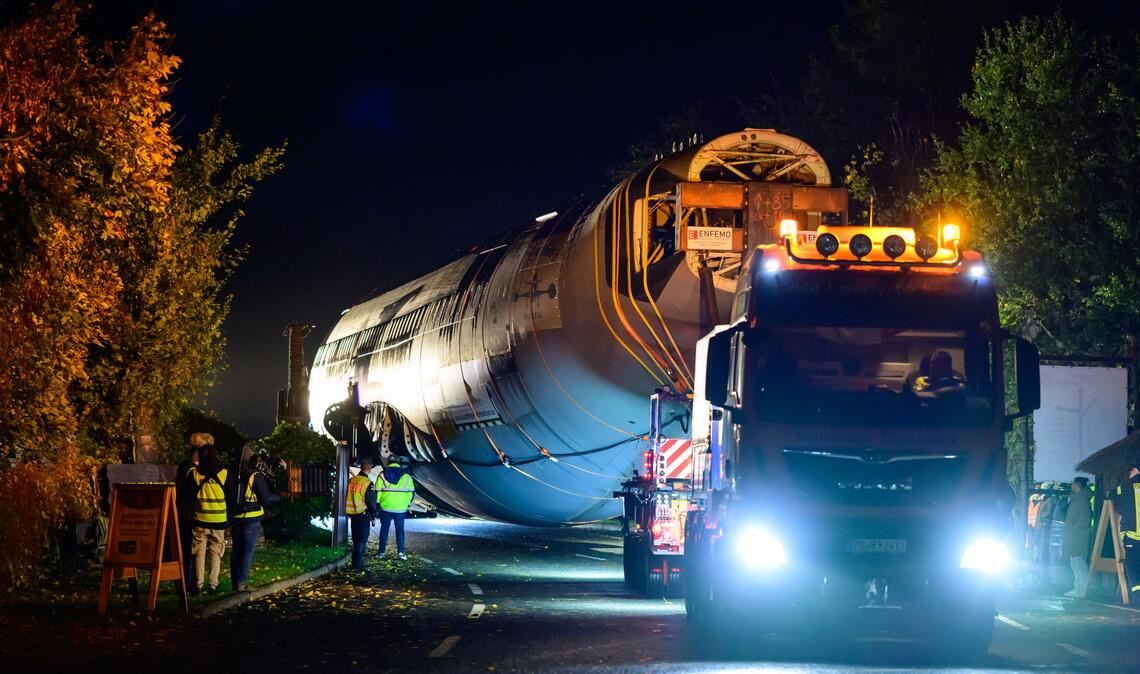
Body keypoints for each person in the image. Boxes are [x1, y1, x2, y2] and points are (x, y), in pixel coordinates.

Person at [229, 443, 281, 592]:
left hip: (236, 517)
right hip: (251, 519)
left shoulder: (231, 474)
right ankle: (242, 583)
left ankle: (235, 582)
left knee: (236, 550)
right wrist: (279, 497)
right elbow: (266, 499)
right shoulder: (254, 476)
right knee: (247, 551)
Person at [185, 442, 229, 594]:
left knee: (199, 553)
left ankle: (198, 585)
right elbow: (231, 495)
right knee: (216, 552)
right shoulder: (224, 473)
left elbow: (188, 496)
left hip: (200, 520)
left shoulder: (194, 473)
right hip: (219, 520)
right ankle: (213, 585)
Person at [175, 436, 205, 593]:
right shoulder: (193, 473)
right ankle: (188, 585)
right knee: (189, 553)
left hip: (180, 515)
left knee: (184, 551)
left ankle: (183, 583)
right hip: (189, 516)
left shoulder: (182, 470)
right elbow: (195, 495)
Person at [377, 458, 415, 560]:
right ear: (399, 463)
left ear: (389, 463)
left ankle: (381, 553)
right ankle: (401, 553)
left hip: (385, 508)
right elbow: (411, 493)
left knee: (384, 529)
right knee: (400, 530)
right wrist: (406, 504)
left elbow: (377, 492)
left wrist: (378, 504)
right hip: (400, 509)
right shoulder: (407, 476)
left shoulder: (382, 475)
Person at [1063, 477, 1093, 597]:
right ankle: (1079, 589)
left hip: (1077, 538)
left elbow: (1074, 522)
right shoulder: (1080, 500)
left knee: (1079, 565)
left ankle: (1081, 590)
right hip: (1077, 537)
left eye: (1073, 484)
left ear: (1077, 485)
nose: (1071, 486)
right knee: (1076, 564)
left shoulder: (1080, 501)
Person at [346, 458, 377, 571]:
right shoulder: (368, 483)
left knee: (355, 539)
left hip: (352, 514)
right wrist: (374, 515)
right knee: (362, 540)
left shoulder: (351, 480)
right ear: (369, 468)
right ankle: (358, 565)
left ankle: (356, 563)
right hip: (363, 515)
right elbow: (371, 502)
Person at [1121, 462, 1140, 601]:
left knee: (1133, 567)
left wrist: (1123, 534)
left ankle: (1137, 597)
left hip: (1133, 535)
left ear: (1134, 470)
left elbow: (1123, 507)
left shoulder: (1128, 486)